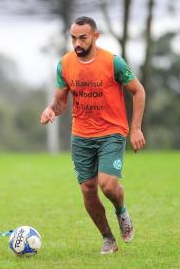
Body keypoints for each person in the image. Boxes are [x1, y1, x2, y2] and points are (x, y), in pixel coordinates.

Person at [40, 16, 146, 254]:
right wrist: (50, 109)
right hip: (81, 135)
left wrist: (136, 127)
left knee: (107, 185)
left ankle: (122, 212)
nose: (77, 43)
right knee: (88, 189)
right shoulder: (65, 64)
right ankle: (108, 238)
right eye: (73, 38)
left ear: (95, 37)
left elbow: (138, 91)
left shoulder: (113, 63)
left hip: (112, 131)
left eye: (83, 38)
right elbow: (60, 102)